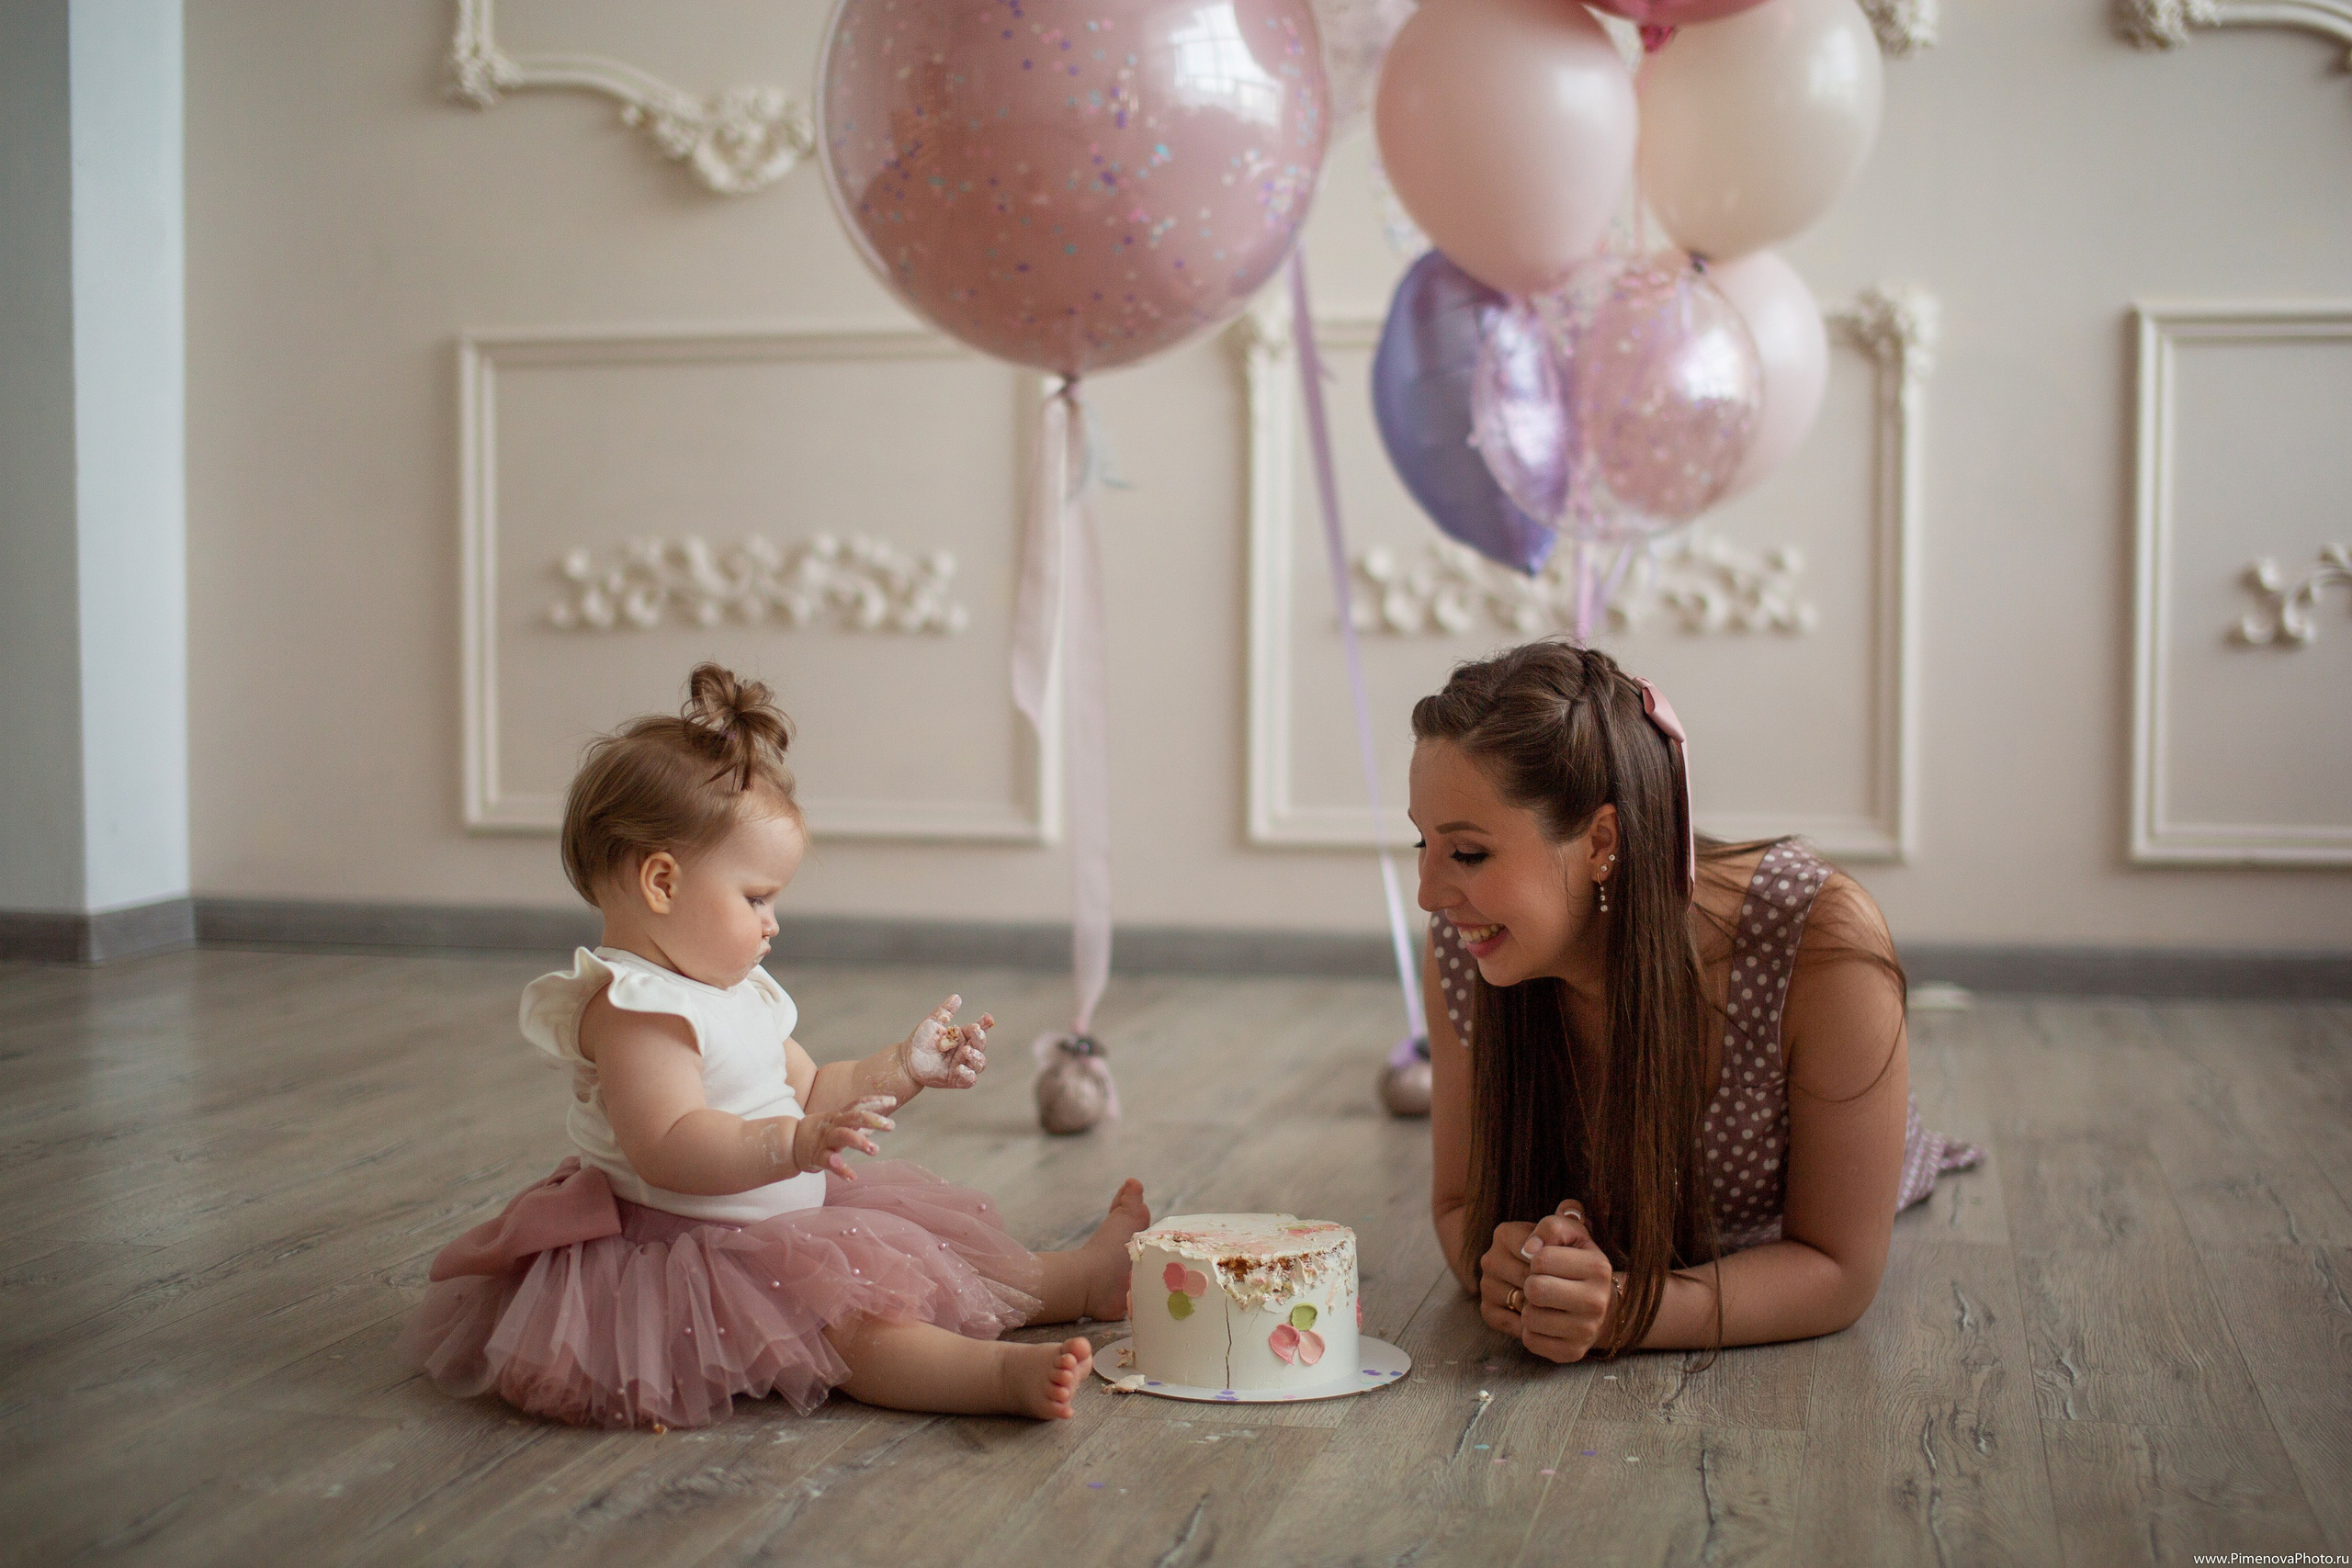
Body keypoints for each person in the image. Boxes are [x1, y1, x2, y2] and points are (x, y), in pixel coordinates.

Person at [401, 664, 1148, 1427]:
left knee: (945, 1257)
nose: (772, 922)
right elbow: (669, 1144)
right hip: (701, 1252)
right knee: (856, 1329)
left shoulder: (738, 990)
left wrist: (906, 1066)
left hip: (789, 1219)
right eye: (756, 897)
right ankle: (993, 1376)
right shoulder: (636, 1009)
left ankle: (1083, 1280)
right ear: (661, 882)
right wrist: (793, 1144)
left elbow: (819, 1087)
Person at [1410, 640, 1979, 1363]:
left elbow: (1838, 1268)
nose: (1429, 892)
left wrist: (1624, 1311)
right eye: (1420, 843)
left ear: (1601, 841)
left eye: (1466, 854)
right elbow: (1461, 1207)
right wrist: (1513, 1271)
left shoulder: (1819, 942)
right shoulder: (1466, 948)